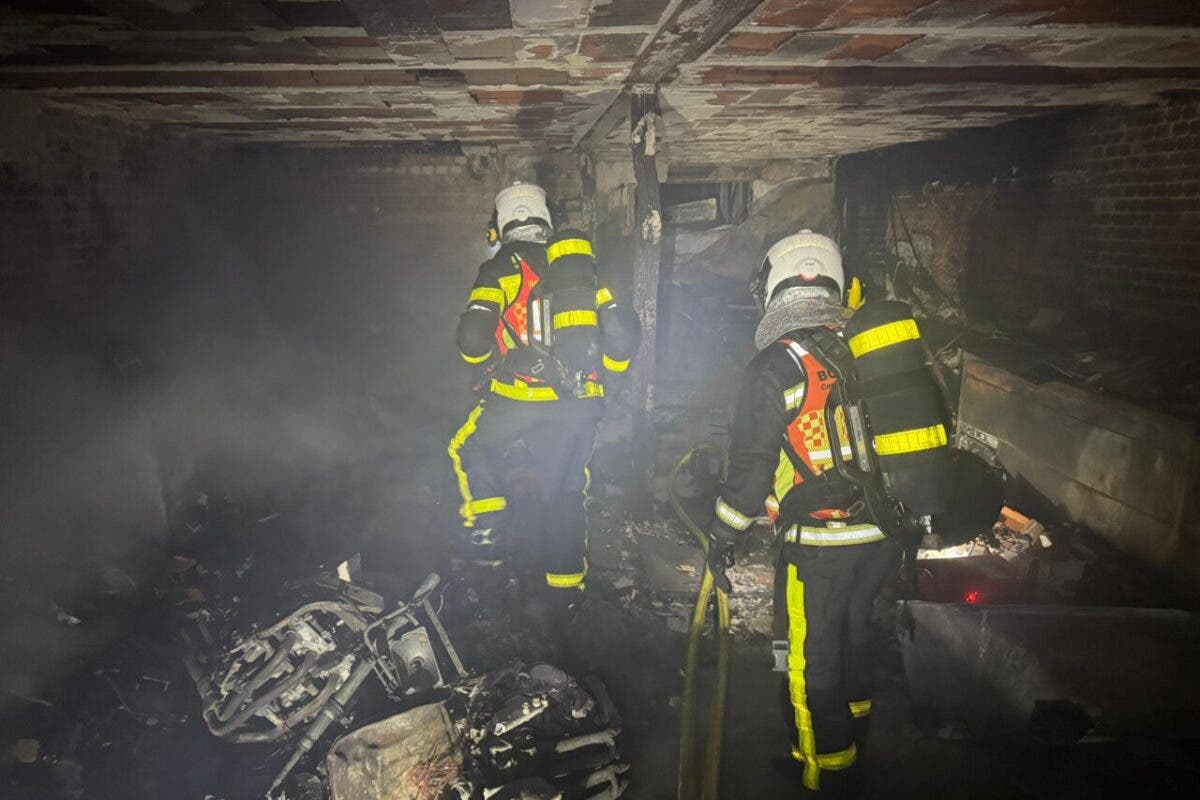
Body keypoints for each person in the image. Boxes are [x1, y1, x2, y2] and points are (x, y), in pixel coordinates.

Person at [704, 230, 901, 796]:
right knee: (854, 634)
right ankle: (854, 733)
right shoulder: (868, 349)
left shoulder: (776, 366)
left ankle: (826, 772)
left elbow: (750, 472)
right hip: (883, 531)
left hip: (819, 544)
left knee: (813, 659)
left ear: (772, 289)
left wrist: (723, 534)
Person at [448, 180, 640, 623]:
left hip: (516, 399)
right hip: (579, 403)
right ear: (545, 223)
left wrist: (488, 357)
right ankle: (566, 595)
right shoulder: (583, 269)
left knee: (467, 448)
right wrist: (601, 380)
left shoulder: (500, 269)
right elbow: (623, 341)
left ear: (499, 226)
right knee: (567, 492)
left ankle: (488, 549)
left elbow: (472, 344)